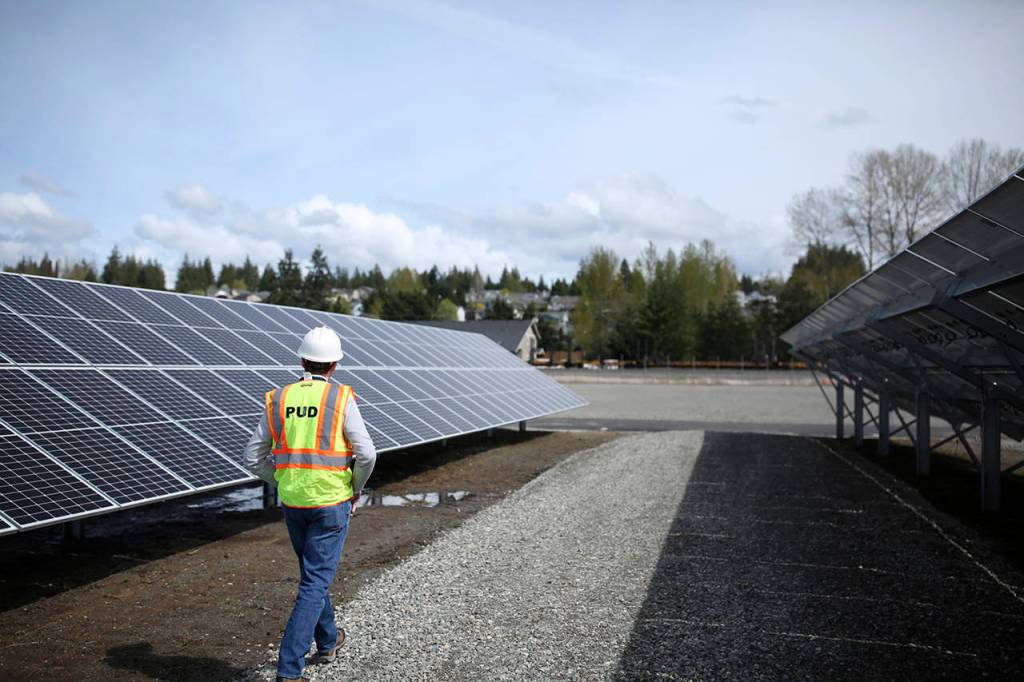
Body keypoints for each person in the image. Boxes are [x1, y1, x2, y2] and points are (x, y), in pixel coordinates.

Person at [243, 325, 376, 682]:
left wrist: (280, 479)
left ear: (302, 360)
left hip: (293, 503)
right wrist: (355, 487)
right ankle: (289, 669)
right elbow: (366, 453)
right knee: (315, 581)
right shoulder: (341, 398)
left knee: (312, 576)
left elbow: (252, 457)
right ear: (334, 365)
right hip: (331, 502)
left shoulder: (279, 398)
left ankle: (329, 641)